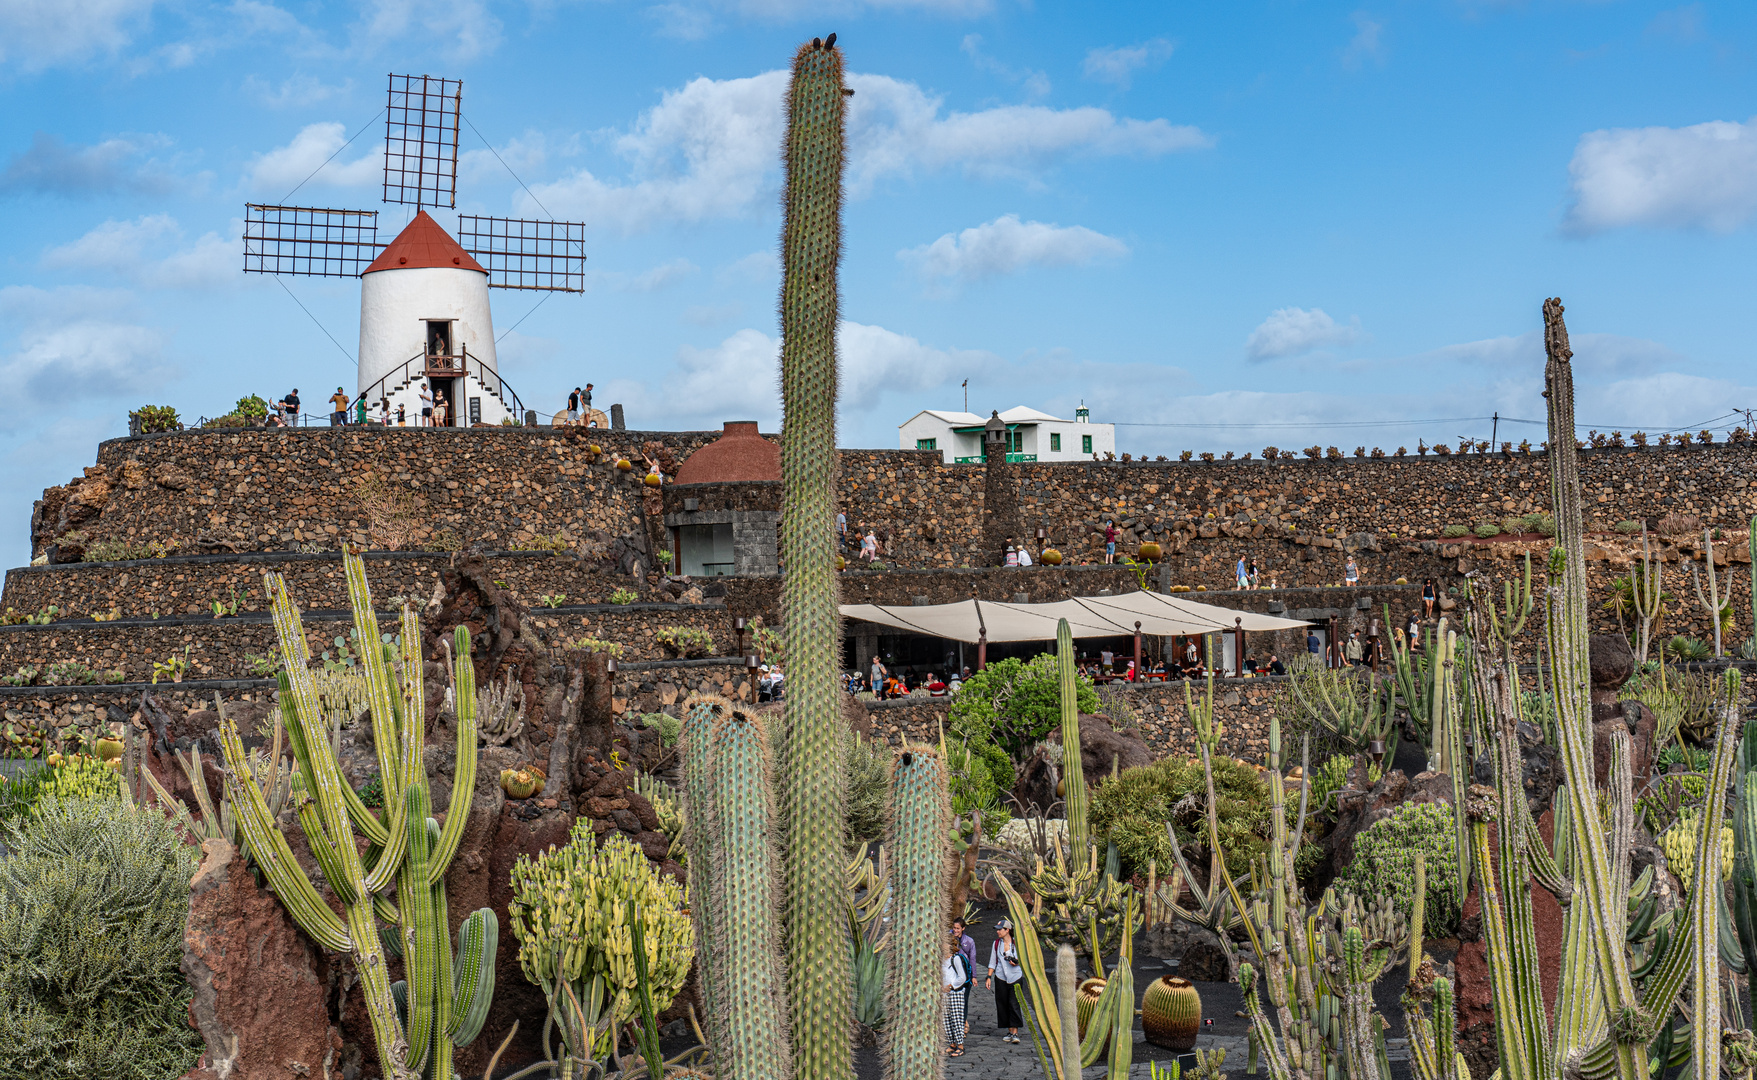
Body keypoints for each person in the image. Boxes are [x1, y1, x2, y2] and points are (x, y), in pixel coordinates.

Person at [987, 918, 1025, 1043]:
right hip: (1001, 976)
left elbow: (1024, 960)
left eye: (1000, 930)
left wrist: (1016, 963)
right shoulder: (997, 944)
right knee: (1003, 1003)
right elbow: (993, 961)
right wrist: (989, 977)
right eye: (997, 930)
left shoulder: (1017, 943)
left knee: (1014, 1003)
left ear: (1007, 930)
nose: (998, 932)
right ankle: (1009, 1031)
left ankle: (1015, 1032)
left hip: (1015, 976)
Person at [942, 935, 970, 1057]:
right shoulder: (942, 960)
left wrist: (951, 986)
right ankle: (952, 1043)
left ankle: (960, 1046)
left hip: (955, 993)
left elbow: (962, 977)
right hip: (944, 993)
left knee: (956, 1019)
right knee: (946, 1020)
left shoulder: (956, 959)